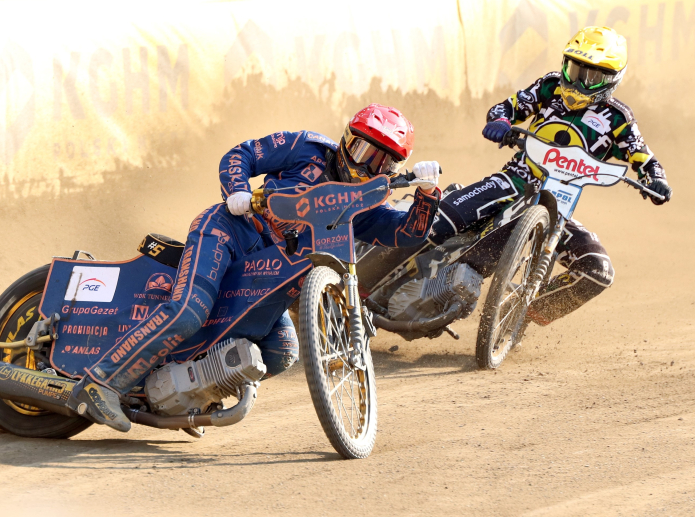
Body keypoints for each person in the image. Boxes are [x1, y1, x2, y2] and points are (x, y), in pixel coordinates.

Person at [71, 104, 443, 432]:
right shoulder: (307, 146)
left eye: (383, 162)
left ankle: (191, 392)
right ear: (346, 139)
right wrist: (237, 191)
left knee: (282, 350)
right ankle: (100, 383)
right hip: (230, 232)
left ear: (396, 169)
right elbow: (241, 153)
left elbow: (407, 232)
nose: (367, 165)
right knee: (189, 311)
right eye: (363, 149)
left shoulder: (364, 207)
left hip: (270, 278)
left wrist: (427, 193)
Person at [430, 26, 672, 329]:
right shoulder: (550, 86)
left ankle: (520, 315)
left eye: (592, 76)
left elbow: (643, 156)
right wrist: (501, 122)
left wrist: (656, 179)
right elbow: (507, 107)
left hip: (557, 207)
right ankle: (372, 278)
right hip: (514, 182)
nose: (580, 81)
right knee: (438, 221)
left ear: (611, 80)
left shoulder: (618, 118)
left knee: (597, 271)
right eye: (575, 68)